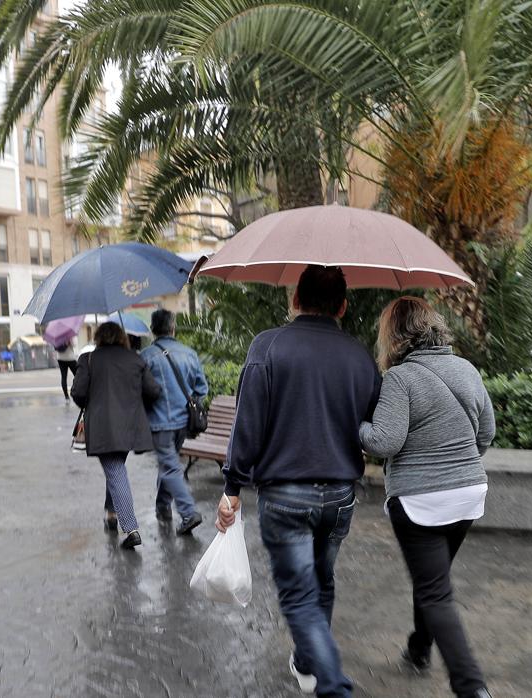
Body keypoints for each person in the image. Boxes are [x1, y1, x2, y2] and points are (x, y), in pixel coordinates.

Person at [218, 265, 381, 697]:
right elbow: (373, 424)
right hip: (341, 495)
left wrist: (232, 487)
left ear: (294, 299)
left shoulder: (268, 346)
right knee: (323, 582)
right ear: (343, 306)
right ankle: (308, 664)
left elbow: (246, 424)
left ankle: (332, 684)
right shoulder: (360, 357)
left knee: (299, 596)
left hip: (286, 495)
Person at [358, 297, 495, 698]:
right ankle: (419, 647)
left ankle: (471, 687)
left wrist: (356, 426)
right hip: (469, 495)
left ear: (394, 336)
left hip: (421, 503)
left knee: (435, 590)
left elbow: (384, 442)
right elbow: (485, 433)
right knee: (432, 578)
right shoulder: (467, 370)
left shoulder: (400, 380)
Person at [71, 322, 162, 549]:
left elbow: (78, 393)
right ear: (122, 337)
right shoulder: (135, 359)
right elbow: (153, 391)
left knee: (115, 471)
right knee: (116, 468)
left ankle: (130, 528)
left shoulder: (88, 360)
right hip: (130, 426)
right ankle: (111, 513)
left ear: (99, 338)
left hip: (103, 428)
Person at [140, 309, 208, 535]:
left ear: (152, 330)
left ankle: (188, 513)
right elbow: (201, 388)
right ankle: (162, 506)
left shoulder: (146, 356)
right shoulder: (189, 353)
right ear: (173, 328)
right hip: (183, 424)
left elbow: (140, 390)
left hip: (160, 423)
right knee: (168, 465)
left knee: (169, 468)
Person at [55, 338, 79, 403]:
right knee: (78, 375)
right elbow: (74, 344)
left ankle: (66, 397)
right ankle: (77, 391)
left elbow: (55, 347)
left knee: (63, 377)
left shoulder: (57, 335)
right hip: (70, 358)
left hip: (60, 358)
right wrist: (69, 342)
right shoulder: (69, 335)